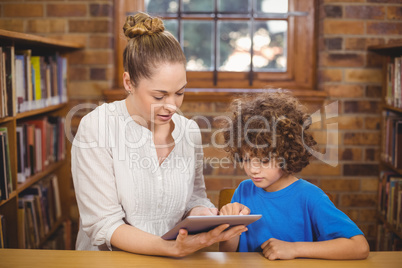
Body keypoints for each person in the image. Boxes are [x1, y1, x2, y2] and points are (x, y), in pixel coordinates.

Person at [71, 12, 247, 256]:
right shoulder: (97, 128)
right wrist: (170, 248)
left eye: (180, 92)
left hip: (175, 258)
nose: (172, 105)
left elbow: (195, 198)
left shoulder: (188, 131)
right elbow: (104, 224)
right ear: (128, 82)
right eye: (159, 96)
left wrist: (205, 216)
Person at [218, 92, 370, 260]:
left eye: (264, 160)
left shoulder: (310, 197)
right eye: (246, 159)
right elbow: (228, 252)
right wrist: (230, 225)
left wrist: (295, 249)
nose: (253, 169)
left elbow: (360, 247)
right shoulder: (244, 190)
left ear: (287, 154)